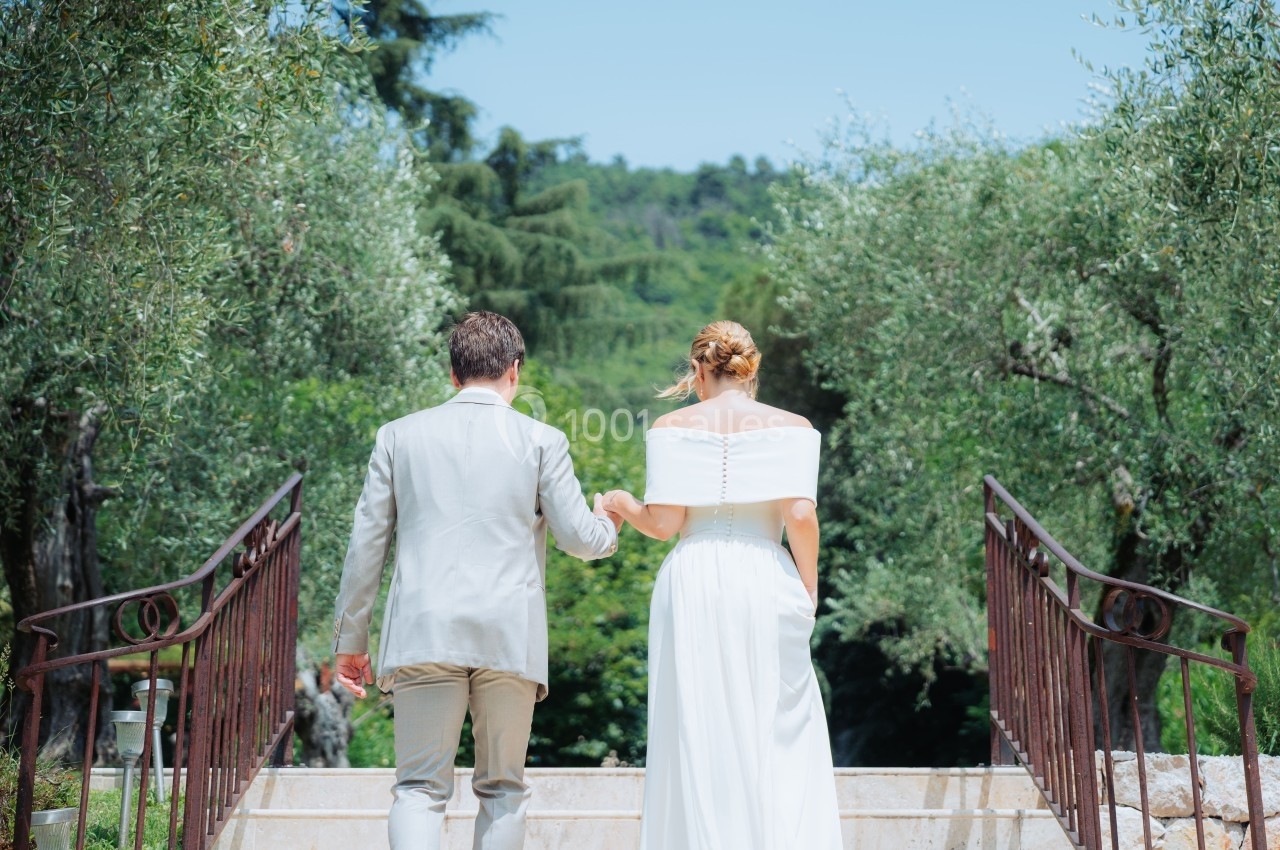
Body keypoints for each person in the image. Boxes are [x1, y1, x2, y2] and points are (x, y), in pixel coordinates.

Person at [331, 310, 622, 850]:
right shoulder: (542, 439)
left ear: (453, 372)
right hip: (508, 633)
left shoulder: (397, 437)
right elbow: (580, 539)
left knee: (419, 788)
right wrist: (610, 523)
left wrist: (351, 640)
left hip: (423, 631)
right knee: (504, 789)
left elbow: (366, 545)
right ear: (515, 370)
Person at [604, 320, 843, 850]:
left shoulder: (671, 427)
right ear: (752, 367)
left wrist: (619, 502)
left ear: (697, 369)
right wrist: (809, 586)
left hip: (692, 576)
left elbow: (664, 525)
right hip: (764, 572)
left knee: (694, 723)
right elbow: (800, 514)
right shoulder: (793, 426)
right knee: (777, 723)